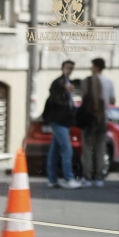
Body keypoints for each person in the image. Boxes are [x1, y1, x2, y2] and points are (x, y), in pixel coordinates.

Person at [44, 60, 81, 190]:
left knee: (55, 151)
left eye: (71, 68)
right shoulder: (59, 83)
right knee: (67, 149)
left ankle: (52, 179)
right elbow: (56, 99)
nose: (69, 70)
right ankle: (69, 178)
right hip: (58, 121)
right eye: (67, 67)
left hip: (64, 121)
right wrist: (65, 91)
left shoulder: (67, 83)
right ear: (62, 68)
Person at [80, 58, 114, 188]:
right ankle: (99, 177)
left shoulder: (86, 81)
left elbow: (84, 98)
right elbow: (112, 100)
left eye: (92, 65)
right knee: (100, 148)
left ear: (96, 67)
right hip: (102, 119)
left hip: (89, 119)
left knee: (87, 148)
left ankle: (87, 177)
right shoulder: (109, 82)